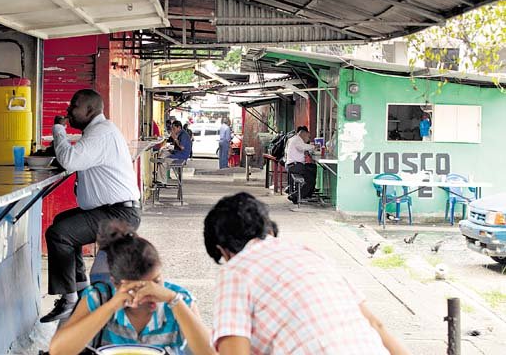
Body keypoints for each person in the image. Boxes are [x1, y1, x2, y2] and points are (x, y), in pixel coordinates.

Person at [203, 192, 410, 355]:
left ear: (223, 250)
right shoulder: (311, 255)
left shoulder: (236, 271)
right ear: (270, 231)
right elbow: (376, 325)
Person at [41, 89, 141, 323]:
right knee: (62, 224)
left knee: (59, 235)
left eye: (73, 106)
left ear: (90, 110)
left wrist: (58, 129)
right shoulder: (98, 131)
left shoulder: (101, 133)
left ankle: (69, 300)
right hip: (112, 209)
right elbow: (77, 156)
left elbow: (70, 160)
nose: (68, 111)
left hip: (119, 213)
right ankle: (80, 291)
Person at [49, 221, 214, 355]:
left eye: (156, 282)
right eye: (139, 288)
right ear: (116, 283)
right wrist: (111, 306)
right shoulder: (98, 299)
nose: (152, 293)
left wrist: (174, 301)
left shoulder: (179, 299)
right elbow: (58, 351)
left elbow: (209, 353)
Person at [285, 126, 317, 202]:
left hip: (295, 165)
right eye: (308, 136)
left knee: (313, 167)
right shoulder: (297, 139)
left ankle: (308, 193)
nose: (308, 139)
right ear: (304, 133)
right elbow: (302, 147)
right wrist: (314, 147)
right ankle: (295, 196)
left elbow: (302, 148)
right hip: (294, 165)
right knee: (310, 179)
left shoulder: (294, 139)